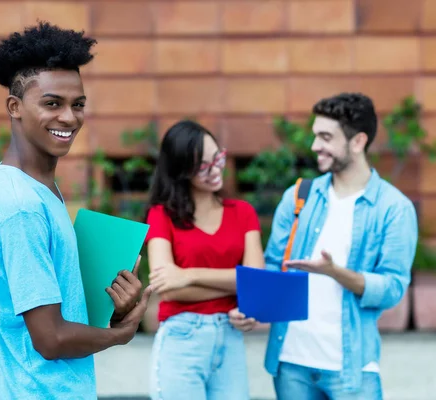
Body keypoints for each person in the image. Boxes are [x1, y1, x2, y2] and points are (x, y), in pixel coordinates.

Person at [0, 22, 152, 399]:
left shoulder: (40, 190)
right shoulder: (21, 206)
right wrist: (117, 336)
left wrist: (113, 309)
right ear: (15, 107)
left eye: (78, 104)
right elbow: (50, 338)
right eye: (52, 103)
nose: (69, 118)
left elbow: (59, 314)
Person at [230, 93, 418, 400]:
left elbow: (393, 287)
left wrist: (336, 273)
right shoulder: (299, 196)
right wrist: (252, 309)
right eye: (316, 135)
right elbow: (275, 264)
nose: (315, 145)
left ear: (357, 142)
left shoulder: (393, 208)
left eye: (326, 137)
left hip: (352, 369)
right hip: (291, 363)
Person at [144, 120, 265, 400]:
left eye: (217, 158)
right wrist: (237, 282)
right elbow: (168, 287)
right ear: (180, 171)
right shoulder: (162, 215)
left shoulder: (243, 213)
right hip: (182, 338)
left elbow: (257, 282)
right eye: (202, 166)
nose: (215, 170)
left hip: (230, 337)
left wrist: (189, 274)